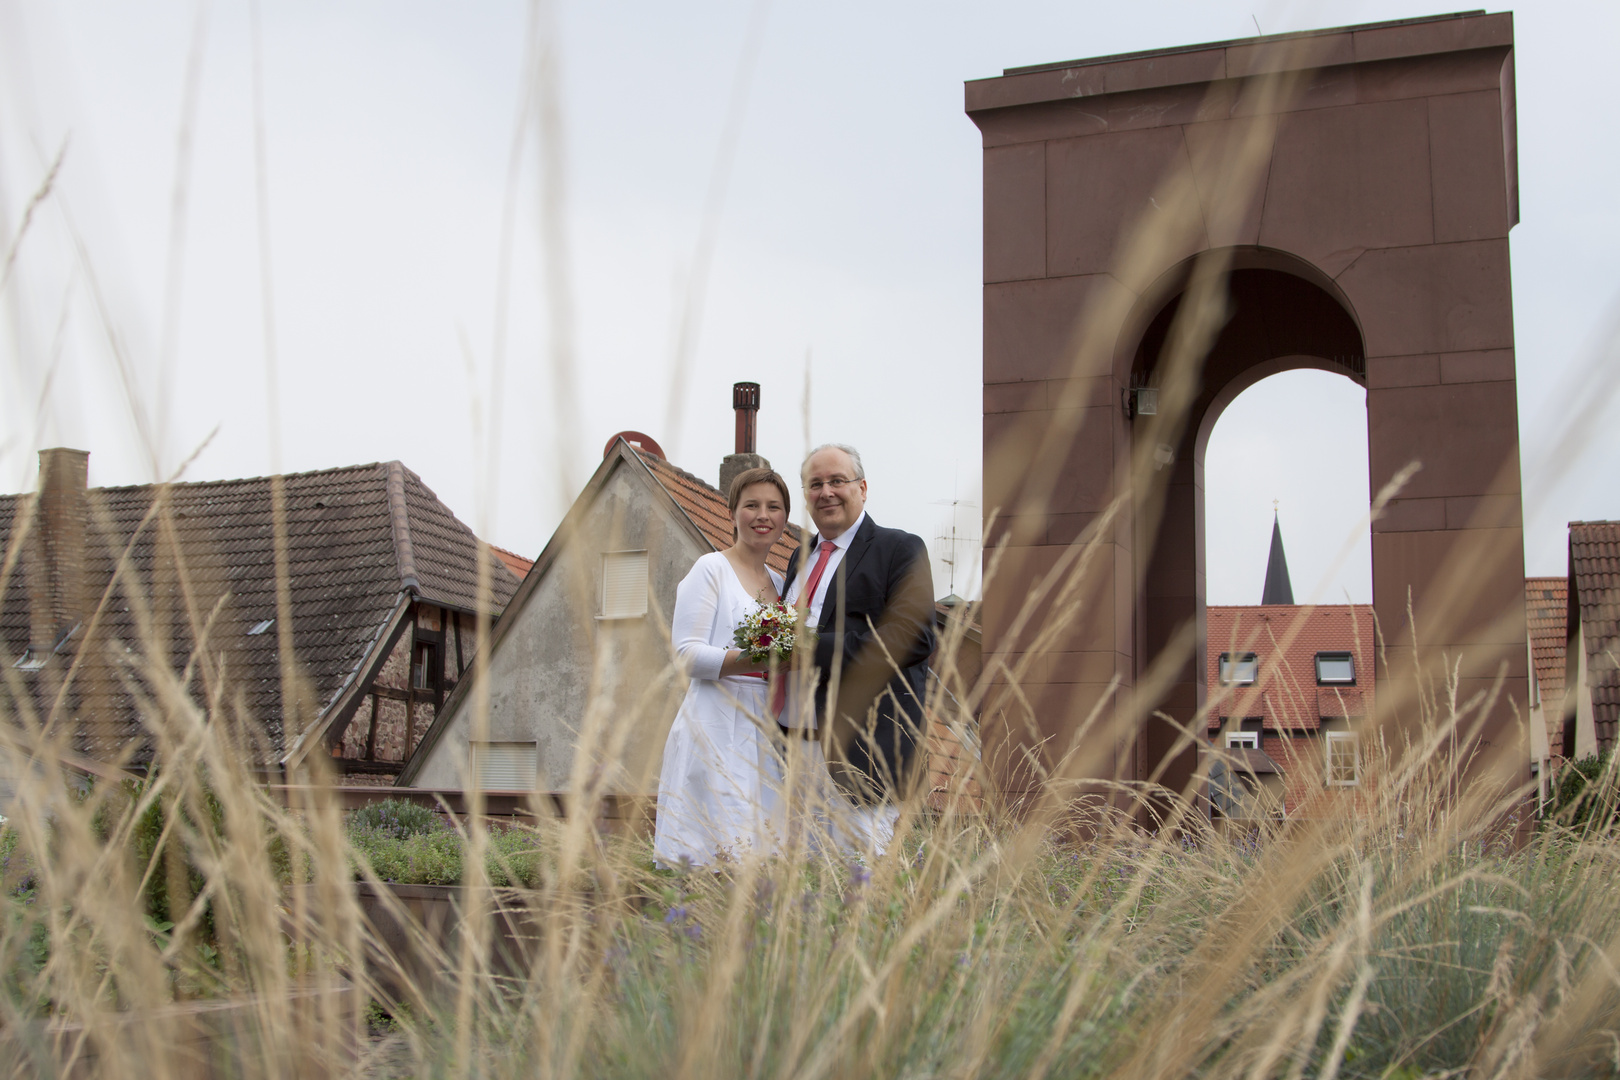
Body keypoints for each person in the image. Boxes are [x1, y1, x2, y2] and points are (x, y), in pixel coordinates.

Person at [780, 443, 936, 855]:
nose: (826, 492)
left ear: (862, 488)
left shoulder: (900, 550)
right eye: (815, 484)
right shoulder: (800, 556)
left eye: (837, 481)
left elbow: (913, 637)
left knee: (860, 888)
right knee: (798, 893)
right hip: (792, 751)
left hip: (862, 753)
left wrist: (809, 646)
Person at [653, 467, 792, 868]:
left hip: (765, 728)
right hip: (715, 720)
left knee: (761, 857)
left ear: (784, 519)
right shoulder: (710, 569)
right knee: (711, 853)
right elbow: (686, 655)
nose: (762, 515)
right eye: (751, 505)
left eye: (774, 507)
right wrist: (757, 659)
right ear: (732, 512)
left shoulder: (782, 584)